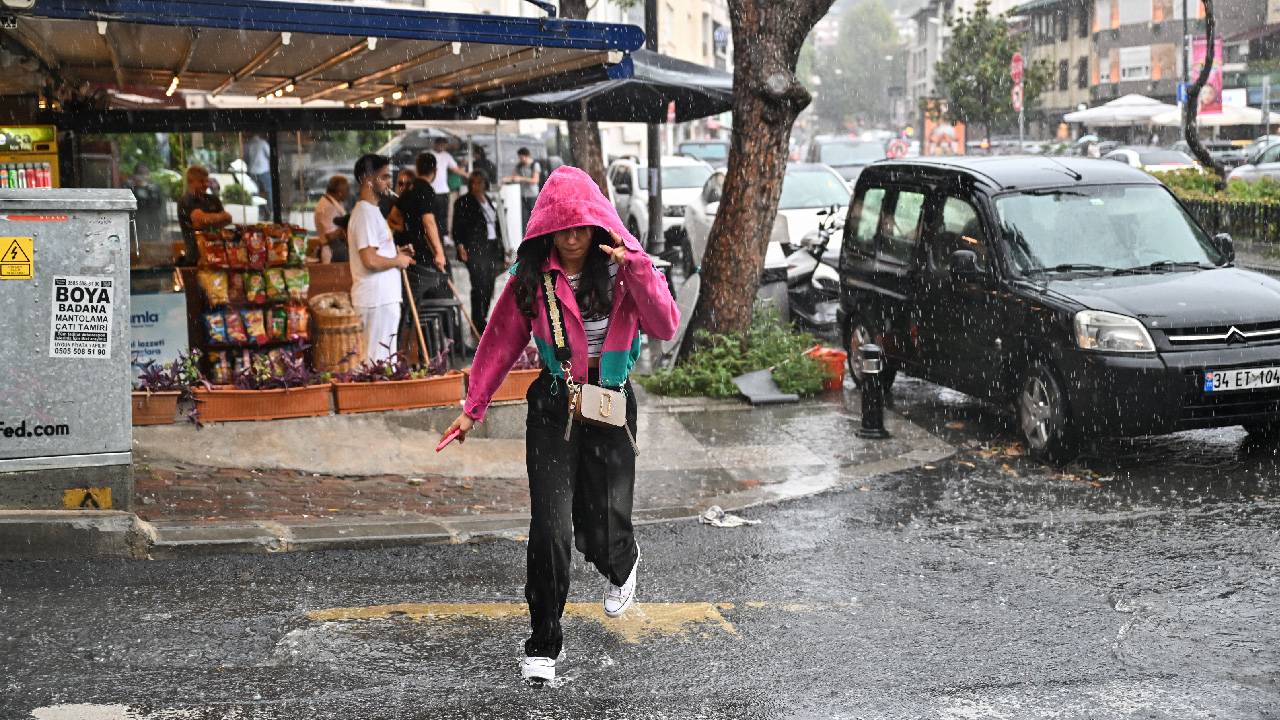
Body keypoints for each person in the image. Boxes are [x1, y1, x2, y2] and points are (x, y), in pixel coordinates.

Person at [441, 166, 680, 684]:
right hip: (554, 406)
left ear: (597, 225)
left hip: (611, 406)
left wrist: (637, 266)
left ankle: (622, 560)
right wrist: (472, 407)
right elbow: (500, 340)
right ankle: (543, 644)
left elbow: (665, 324)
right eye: (562, 227)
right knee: (550, 527)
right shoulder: (531, 278)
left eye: (582, 226)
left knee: (602, 529)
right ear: (546, 227)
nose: (572, 237)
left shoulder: (623, 270)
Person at [347, 153, 415, 362]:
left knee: (383, 361)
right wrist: (397, 261)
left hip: (381, 298)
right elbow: (369, 260)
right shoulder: (365, 213)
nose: (389, 182)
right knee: (378, 363)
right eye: (384, 177)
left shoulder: (372, 211)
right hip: (376, 299)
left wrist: (397, 254)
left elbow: (376, 254)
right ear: (367, 179)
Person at [452, 170, 503, 336]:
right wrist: (459, 245)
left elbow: (495, 224)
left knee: (489, 284)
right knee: (478, 284)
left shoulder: (488, 199)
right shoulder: (463, 201)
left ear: (485, 183)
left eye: (480, 182)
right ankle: (477, 320)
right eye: (473, 182)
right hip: (474, 248)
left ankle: (483, 317)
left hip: (491, 247)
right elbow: (457, 226)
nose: (476, 185)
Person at [177, 165, 232, 266]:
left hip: (217, 256)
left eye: (207, 181)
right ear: (191, 181)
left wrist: (208, 219)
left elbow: (228, 218)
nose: (206, 184)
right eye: (202, 181)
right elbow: (199, 222)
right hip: (195, 259)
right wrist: (218, 219)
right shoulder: (185, 201)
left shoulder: (213, 199)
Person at [430, 137, 467, 241]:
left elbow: (455, 169)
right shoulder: (428, 154)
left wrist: (467, 174)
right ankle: (433, 235)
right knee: (432, 214)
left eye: (444, 145)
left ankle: (444, 236)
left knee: (443, 214)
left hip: (443, 190)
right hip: (431, 190)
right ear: (435, 144)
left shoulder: (447, 156)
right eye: (441, 144)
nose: (442, 147)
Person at [503, 147, 542, 235]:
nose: (520, 159)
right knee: (524, 219)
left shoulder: (534, 165)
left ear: (527, 156)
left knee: (533, 217)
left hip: (532, 195)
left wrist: (521, 179)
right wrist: (508, 179)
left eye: (521, 157)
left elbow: (535, 180)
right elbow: (514, 176)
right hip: (522, 195)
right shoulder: (519, 166)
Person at [315, 175, 350, 265]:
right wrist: (345, 228)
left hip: (337, 250)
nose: (348, 193)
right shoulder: (327, 207)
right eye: (347, 189)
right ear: (340, 192)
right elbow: (330, 236)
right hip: (333, 252)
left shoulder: (332, 202)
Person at [244, 133, 272, 209]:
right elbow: (270, 155)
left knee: (255, 191)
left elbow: (246, 159)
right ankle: (271, 209)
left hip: (252, 171)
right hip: (264, 170)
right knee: (269, 190)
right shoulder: (263, 143)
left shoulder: (248, 144)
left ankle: (257, 210)